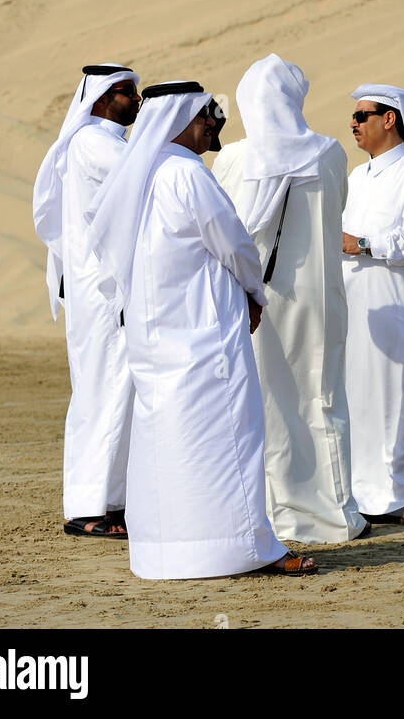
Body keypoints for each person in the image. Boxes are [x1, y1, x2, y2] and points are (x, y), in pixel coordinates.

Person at [86, 79, 316, 580]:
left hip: (155, 339)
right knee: (230, 435)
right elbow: (234, 246)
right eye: (208, 114)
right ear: (183, 120)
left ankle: (169, 553)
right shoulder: (186, 175)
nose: (214, 123)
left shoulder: (143, 174)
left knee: (170, 442)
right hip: (205, 335)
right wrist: (256, 293)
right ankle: (248, 549)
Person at [214, 54, 367, 544]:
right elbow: (336, 209)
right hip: (317, 299)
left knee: (263, 401)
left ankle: (271, 509)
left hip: (253, 299)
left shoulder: (232, 158)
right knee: (320, 398)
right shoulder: (329, 154)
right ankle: (333, 513)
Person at [33, 63, 141, 539]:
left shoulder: (109, 142)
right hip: (102, 294)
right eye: (126, 92)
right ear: (100, 99)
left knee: (118, 391)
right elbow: (142, 181)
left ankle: (110, 501)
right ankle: (88, 508)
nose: (137, 101)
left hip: (108, 292)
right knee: (103, 391)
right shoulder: (95, 142)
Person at [341, 83, 404, 527]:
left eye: (362, 116)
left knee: (402, 402)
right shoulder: (356, 178)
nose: (353, 124)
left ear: (389, 119)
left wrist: (362, 244)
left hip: (401, 310)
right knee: (358, 400)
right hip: (357, 310)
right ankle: (363, 495)